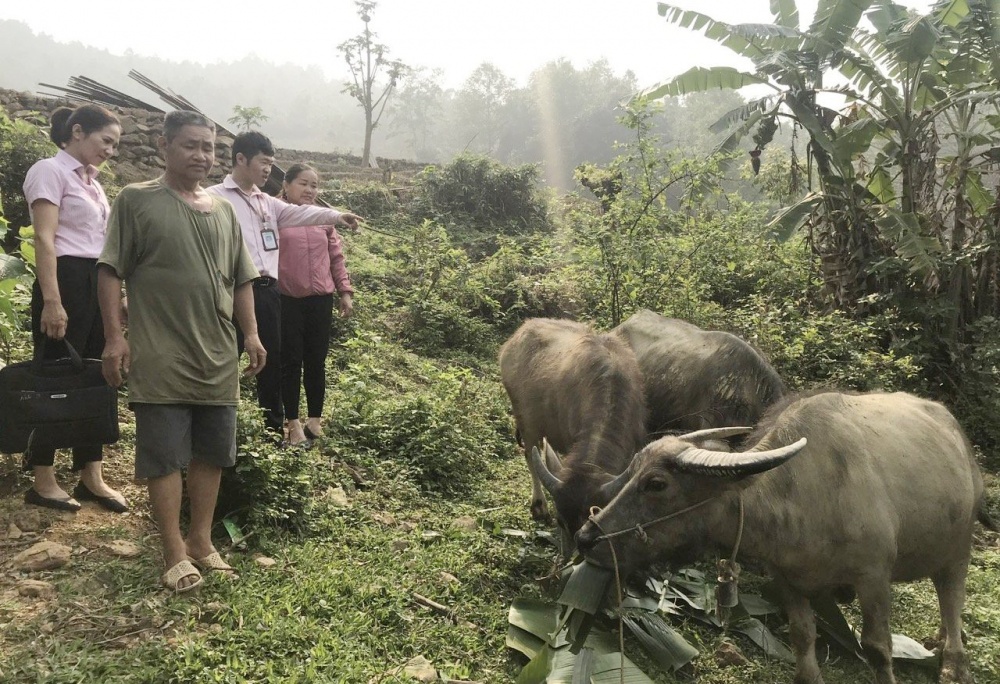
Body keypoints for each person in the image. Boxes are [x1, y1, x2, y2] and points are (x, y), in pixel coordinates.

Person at [98, 110, 266, 594]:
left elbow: (241, 281)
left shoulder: (223, 210)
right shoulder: (137, 200)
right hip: (161, 352)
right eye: (191, 145)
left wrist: (251, 335)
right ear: (165, 147)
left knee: (212, 452)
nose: (201, 156)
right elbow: (110, 270)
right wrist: (114, 336)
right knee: (164, 454)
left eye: (208, 147)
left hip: (217, 354)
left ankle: (201, 539)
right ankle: (172, 548)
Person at [206, 132, 361, 439]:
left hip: (268, 292)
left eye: (271, 163)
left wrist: (337, 215)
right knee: (223, 358)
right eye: (264, 163)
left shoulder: (267, 204)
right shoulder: (214, 197)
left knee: (272, 362)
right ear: (241, 159)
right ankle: (214, 426)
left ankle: (273, 430)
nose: (268, 170)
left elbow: (305, 214)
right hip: (228, 290)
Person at [20, 104, 128, 513]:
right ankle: (43, 478)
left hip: (96, 280)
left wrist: (115, 298)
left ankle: (90, 474)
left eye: (116, 145)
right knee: (55, 375)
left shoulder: (95, 184)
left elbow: (101, 247)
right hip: (63, 280)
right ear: (78, 131)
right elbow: (46, 240)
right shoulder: (48, 170)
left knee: (98, 372)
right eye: (106, 141)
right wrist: (52, 300)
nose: (110, 151)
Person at [277, 164, 354, 446]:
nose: (310, 190)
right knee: (290, 361)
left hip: (320, 299)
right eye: (303, 183)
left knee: (316, 361)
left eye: (314, 185)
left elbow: (336, 256)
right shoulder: (275, 214)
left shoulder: (323, 219)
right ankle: (293, 423)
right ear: (286, 184)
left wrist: (345, 291)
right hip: (287, 299)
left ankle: (314, 420)